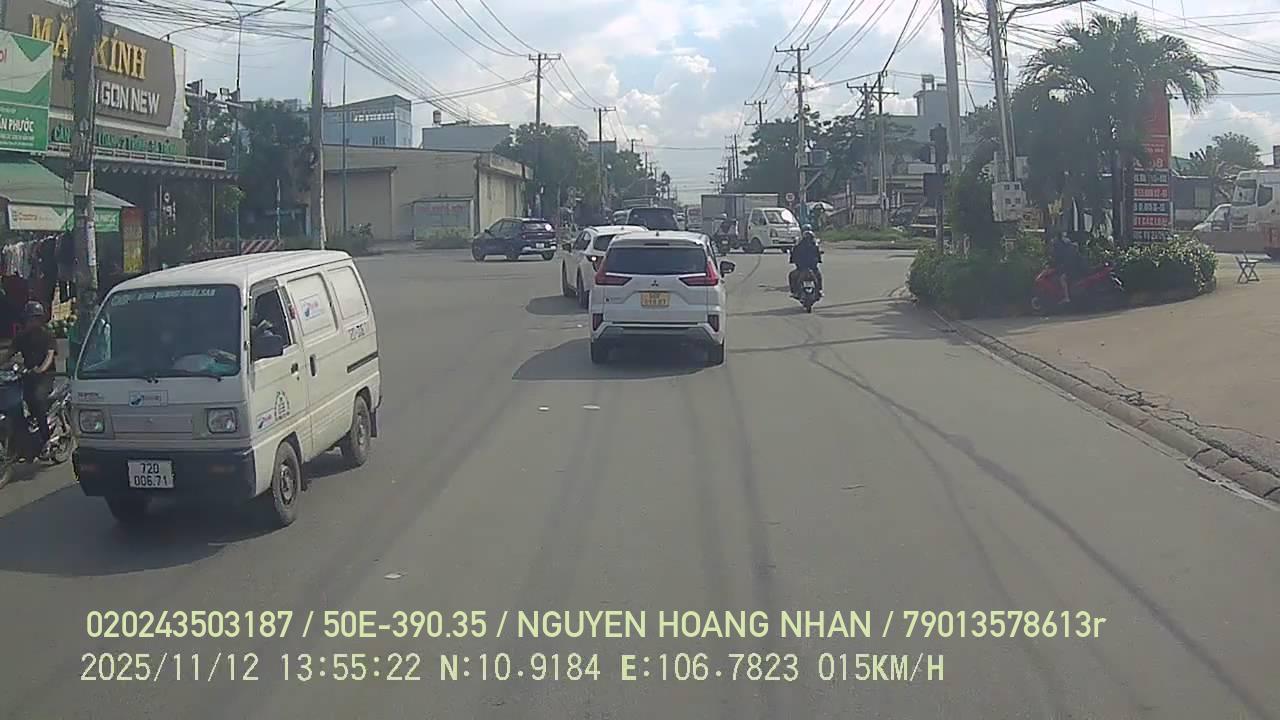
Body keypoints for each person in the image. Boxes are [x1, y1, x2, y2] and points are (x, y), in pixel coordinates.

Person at [0, 302, 56, 457]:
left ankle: (46, 439)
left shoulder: (47, 335)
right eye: (29, 319)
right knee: (13, 400)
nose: (31, 322)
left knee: (37, 400)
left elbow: (50, 356)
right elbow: (8, 354)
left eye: (34, 319)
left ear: (40, 319)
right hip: (27, 375)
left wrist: (41, 369)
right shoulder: (21, 337)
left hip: (45, 377)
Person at [1050, 232, 1086, 304]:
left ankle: (1066, 297)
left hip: (1074, 270)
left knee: (1062, 279)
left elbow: (1069, 263)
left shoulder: (1069, 251)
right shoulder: (1070, 250)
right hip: (1074, 269)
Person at [788, 229, 823, 297]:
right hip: (810, 268)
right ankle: (819, 290)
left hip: (803, 268)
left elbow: (793, 255)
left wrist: (792, 260)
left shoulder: (799, 246)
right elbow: (818, 256)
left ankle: (794, 292)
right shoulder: (814, 246)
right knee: (818, 276)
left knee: (792, 276)